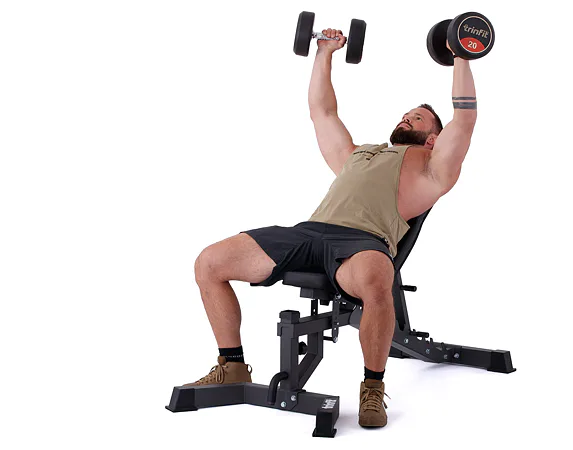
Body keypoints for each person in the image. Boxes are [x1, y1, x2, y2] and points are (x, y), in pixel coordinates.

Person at [181, 28, 478, 428]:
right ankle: (232, 365)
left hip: (362, 243)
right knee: (209, 262)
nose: (407, 117)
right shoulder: (356, 155)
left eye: (418, 117)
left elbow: (465, 118)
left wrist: (462, 53)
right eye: (406, 114)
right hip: (307, 232)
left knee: (377, 278)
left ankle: (372, 388)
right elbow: (322, 112)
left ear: (433, 139)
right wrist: (324, 52)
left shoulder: (432, 168)